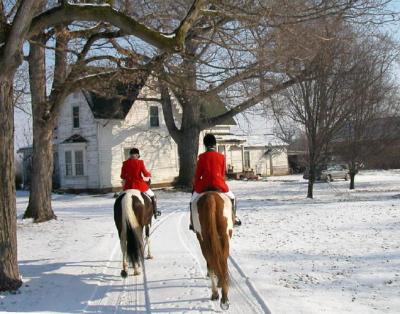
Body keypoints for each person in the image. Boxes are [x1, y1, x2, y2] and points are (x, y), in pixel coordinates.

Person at [189, 134, 241, 230]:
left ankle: (192, 222)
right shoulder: (221, 157)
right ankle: (234, 218)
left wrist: (195, 186)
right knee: (233, 198)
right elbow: (222, 174)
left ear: (205, 145)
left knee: (192, 201)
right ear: (214, 144)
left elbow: (197, 175)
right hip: (219, 184)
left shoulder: (202, 157)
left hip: (204, 185)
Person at [120, 148, 160, 218]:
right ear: (137, 155)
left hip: (128, 186)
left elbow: (122, 176)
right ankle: (155, 211)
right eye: (137, 155)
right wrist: (149, 174)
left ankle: (120, 214)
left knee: (120, 198)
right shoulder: (140, 162)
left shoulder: (125, 163)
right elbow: (145, 174)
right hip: (139, 185)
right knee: (152, 195)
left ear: (130, 155)